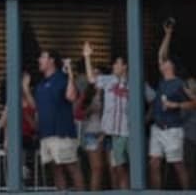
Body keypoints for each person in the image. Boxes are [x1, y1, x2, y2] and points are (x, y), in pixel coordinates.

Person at [149, 22, 195, 189]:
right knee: (154, 163)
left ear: (172, 66)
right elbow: (161, 54)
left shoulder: (180, 83)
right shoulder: (162, 80)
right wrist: (168, 34)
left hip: (173, 129)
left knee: (177, 164)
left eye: (166, 62)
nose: (162, 63)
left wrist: (176, 105)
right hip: (157, 128)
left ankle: (187, 192)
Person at [34, 50, 85, 190]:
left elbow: (72, 97)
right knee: (55, 170)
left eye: (42, 57)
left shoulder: (62, 78)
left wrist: (70, 73)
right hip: (46, 134)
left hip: (62, 133)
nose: (39, 59)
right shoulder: (40, 85)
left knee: (72, 167)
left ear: (51, 60)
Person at [83, 42, 130, 189]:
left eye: (117, 63)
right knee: (117, 169)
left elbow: (151, 101)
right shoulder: (108, 79)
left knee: (123, 169)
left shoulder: (134, 82)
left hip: (127, 132)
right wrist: (87, 57)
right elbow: (91, 79)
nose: (114, 66)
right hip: (110, 133)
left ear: (125, 66)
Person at [80, 68, 105, 191]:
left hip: (107, 132)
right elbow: (80, 113)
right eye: (93, 75)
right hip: (91, 132)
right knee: (96, 168)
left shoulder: (107, 93)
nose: (95, 77)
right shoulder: (88, 94)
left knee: (113, 168)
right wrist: (89, 109)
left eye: (98, 75)